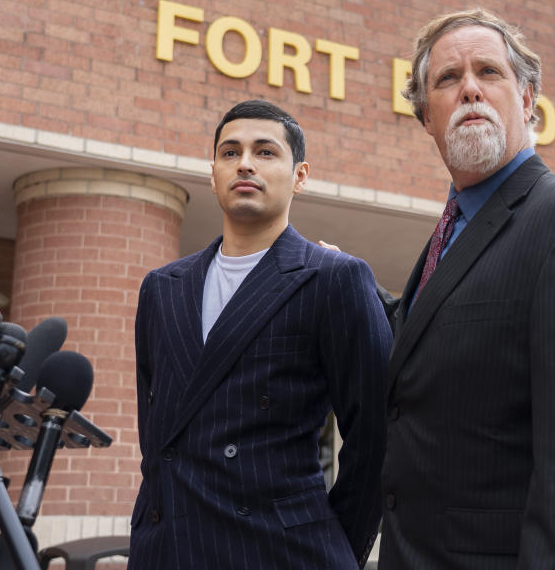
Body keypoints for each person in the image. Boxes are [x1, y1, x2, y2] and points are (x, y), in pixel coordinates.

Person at [379, 9, 555, 569]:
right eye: (448, 79)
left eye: (490, 72)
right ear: (426, 116)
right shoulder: (450, 236)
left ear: (528, 101)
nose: (471, 90)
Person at [129, 100, 391, 570]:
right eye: (230, 153)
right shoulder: (162, 288)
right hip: (166, 548)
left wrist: (331, 549)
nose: (244, 163)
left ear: (300, 175)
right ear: (212, 174)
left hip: (278, 551)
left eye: (265, 152)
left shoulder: (333, 277)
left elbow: (374, 438)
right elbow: (158, 434)